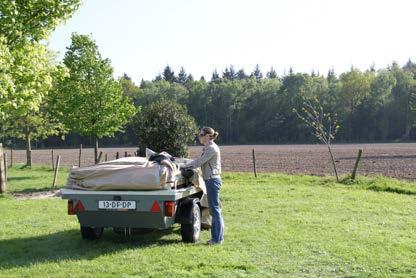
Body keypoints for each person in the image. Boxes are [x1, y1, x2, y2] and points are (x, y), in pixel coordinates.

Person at [184, 127, 224, 245]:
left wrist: (185, 166)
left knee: (215, 211)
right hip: (211, 181)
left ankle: (216, 239)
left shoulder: (211, 148)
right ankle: (218, 238)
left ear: (208, 136)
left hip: (212, 181)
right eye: (199, 134)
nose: (199, 136)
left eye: (201, 134)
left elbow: (199, 162)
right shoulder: (208, 147)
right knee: (215, 210)